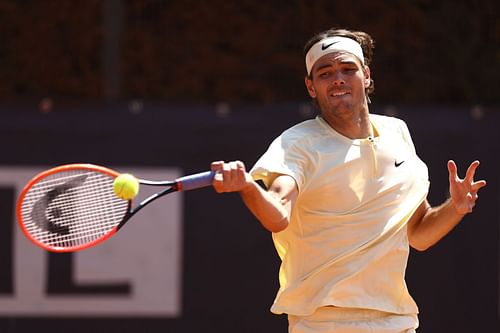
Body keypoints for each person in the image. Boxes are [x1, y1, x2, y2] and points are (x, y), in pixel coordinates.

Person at [210, 28, 487, 333]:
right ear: (311, 87)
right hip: (322, 324)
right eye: (325, 73)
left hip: (397, 321)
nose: (338, 78)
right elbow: (278, 213)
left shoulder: (397, 133)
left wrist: (456, 207)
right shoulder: (297, 144)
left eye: (348, 69)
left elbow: (418, 233)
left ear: (366, 75)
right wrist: (249, 188)